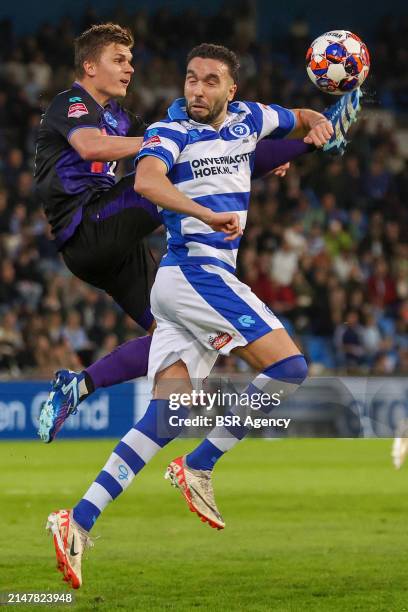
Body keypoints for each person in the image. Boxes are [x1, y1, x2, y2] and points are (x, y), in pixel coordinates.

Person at [45, 42, 342, 590]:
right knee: (290, 369)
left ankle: (76, 521)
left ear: (232, 89)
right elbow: (147, 182)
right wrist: (207, 212)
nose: (197, 91)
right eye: (190, 80)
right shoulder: (169, 131)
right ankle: (199, 465)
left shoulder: (252, 118)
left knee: (168, 416)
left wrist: (318, 122)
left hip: (175, 291)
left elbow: (295, 119)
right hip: (197, 275)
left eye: (209, 82)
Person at [36, 22, 362, 444]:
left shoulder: (123, 117)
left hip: (115, 244)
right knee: (179, 166)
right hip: (87, 226)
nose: (129, 68)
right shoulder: (72, 103)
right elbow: (91, 148)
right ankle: (313, 145)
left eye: (131, 60)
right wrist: (169, 140)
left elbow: (188, 152)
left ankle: (78, 386)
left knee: (171, 332)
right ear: (89, 65)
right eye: (119, 60)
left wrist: (247, 152)